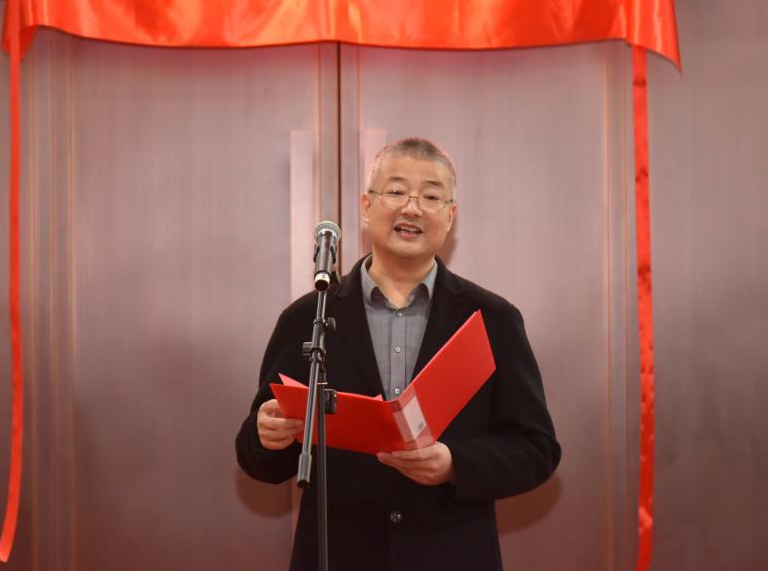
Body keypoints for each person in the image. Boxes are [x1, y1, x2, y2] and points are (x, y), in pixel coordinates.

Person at [235, 137, 560, 571]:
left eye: (431, 196)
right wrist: (266, 434)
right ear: (366, 207)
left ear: (450, 216)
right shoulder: (309, 317)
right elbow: (259, 459)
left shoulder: (491, 319)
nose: (412, 208)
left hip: (453, 557)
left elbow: (537, 450)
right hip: (339, 556)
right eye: (396, 191)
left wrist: (455, 464)